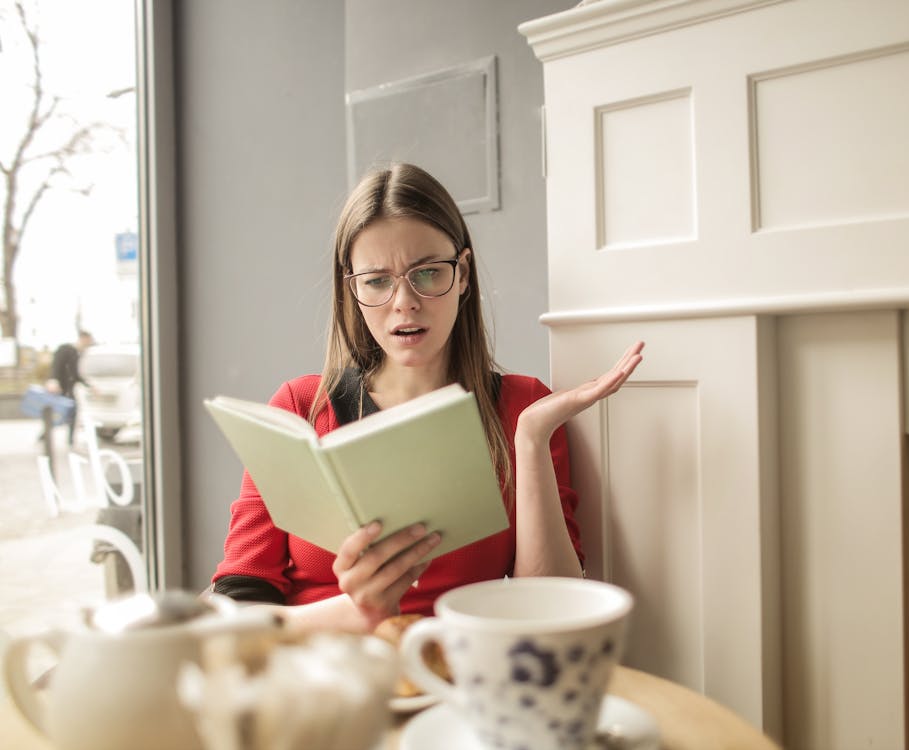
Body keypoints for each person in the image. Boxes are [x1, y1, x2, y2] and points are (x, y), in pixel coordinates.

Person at [211, 163, 643, 633]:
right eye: (377, 281)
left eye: (429, 273)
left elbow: (549, 612)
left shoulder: (523, 407)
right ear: (350, 288)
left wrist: (532, 440)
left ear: (463, 274)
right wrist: (361, 612)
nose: (405, 302)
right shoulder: (301, 406)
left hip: (450, 674)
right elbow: (237, 610)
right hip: (321, 679)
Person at [44, 330, 94, 446]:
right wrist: (53, 380)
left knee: (71, 411)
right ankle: (45, 436)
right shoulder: (65, 349)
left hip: (68, 389)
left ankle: (69, 439)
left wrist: (89, 386)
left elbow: (75, 375)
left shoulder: (77, 353)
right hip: (59, 388)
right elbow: (56, 365)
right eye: (88, 341)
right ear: (83, 339)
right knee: (55, 412)